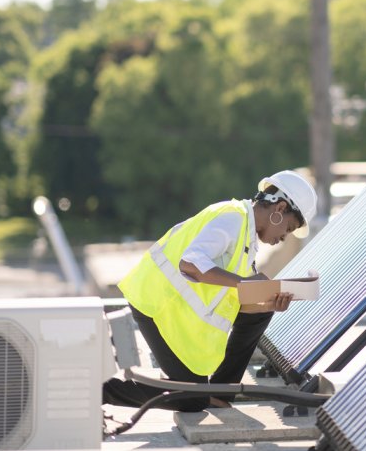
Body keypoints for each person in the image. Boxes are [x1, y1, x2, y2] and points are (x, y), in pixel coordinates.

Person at [103, 170, 317, 412]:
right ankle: (102, 391)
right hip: (155, 305)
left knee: (259, 312)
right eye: (288, 228)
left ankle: (221, 391)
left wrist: (269, 304)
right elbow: (190, 264)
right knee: (191, 400)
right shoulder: (232, 218)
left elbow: (239, 299)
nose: (283, 238)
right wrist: (245, 283)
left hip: (174, 310)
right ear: (279, 209)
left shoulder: (247, 237)